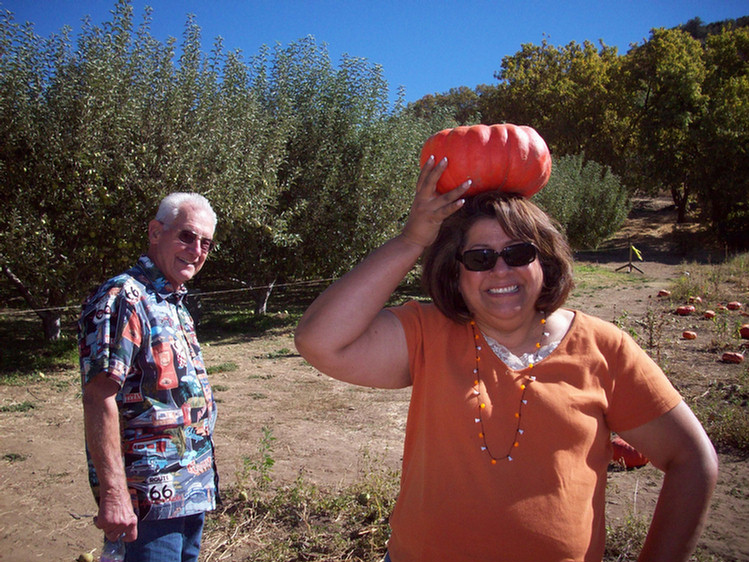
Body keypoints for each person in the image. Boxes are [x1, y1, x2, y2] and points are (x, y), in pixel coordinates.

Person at [294, 157, 719, 562]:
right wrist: (412, 239)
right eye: (479, 258)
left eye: (518, 253)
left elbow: (693, 461)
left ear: (545, 263)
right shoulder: (427, 334)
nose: (501, 270)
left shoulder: (604, 348)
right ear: (456, 275)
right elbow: (320, 341)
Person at [79, 192, 219, 561]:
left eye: (206, 242)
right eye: (186, 236)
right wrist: (113, 495)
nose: (196, 250)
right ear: (155, 232)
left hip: (189, 490)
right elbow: (98, 397)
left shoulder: (173, 301)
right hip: (147, 502)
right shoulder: (125, 297)